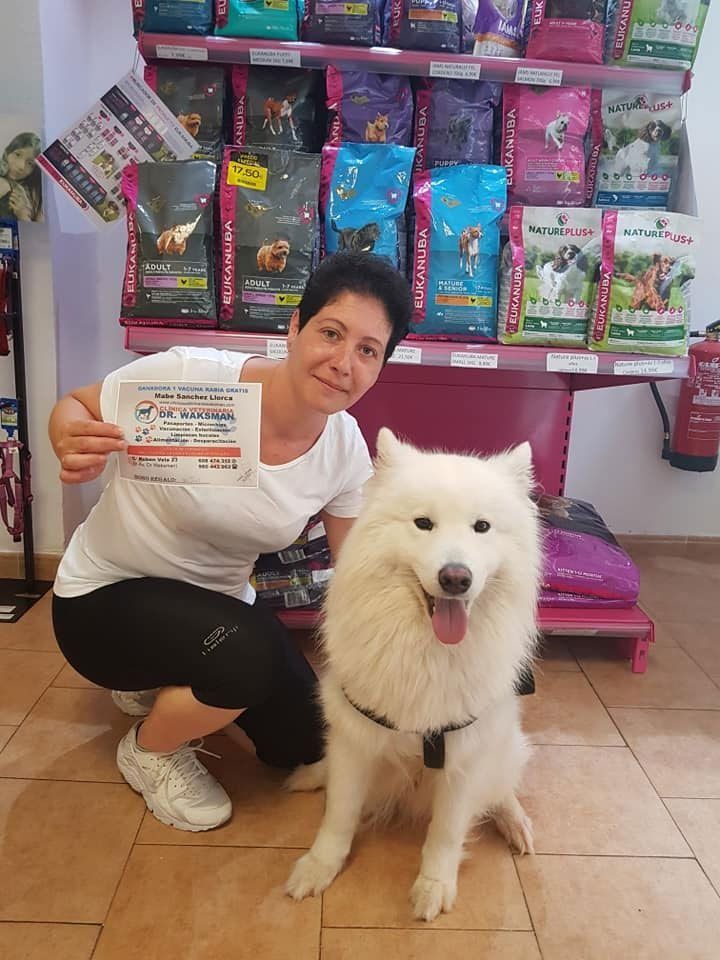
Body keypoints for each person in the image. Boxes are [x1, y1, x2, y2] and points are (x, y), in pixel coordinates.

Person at [49, 252, 413, 833]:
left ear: (380, 367)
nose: (343, 363)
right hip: (104, 596)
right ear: (294, 327)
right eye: (330, 333)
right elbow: (77, 404)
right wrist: (70, 438)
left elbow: (358, 570)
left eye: (368, 351)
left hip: (216, 605)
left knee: (307, 742)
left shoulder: (345, 449)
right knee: (243, 661)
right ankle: (150, 749)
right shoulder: (189, 374)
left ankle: (171, 677)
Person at [0, 132, 43, 222]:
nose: (21, 166)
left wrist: (23, 215)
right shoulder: (3, 183)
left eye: (30, 163)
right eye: (18, 154)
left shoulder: (36, 193)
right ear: (7, 152)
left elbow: (41, 232)